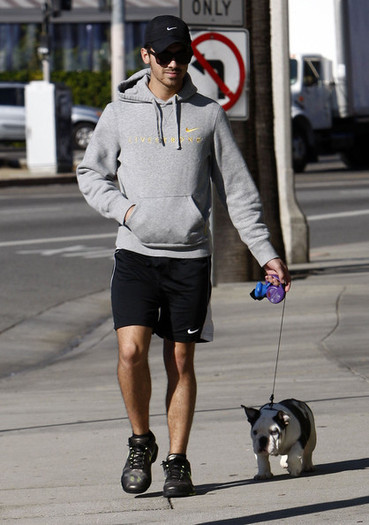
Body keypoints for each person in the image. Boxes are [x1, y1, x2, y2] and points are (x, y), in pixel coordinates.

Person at [77, 14, 291, 498]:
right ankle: (140, 442)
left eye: (183, 55)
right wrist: (126, 211)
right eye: (165, 55)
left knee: (179, 359)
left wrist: (267, 253)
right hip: (135, 252)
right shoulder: (118, 113)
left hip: (189, 258)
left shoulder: (207, 114)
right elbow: (90, 174)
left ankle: (177, 460)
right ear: (146, 56)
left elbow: (239, 194)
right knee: (131, 352)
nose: (175, 63)